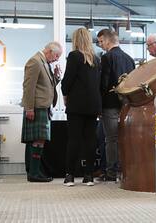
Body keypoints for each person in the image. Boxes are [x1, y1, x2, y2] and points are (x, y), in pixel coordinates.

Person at [61, 27, 102, 187]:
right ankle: (89, 176)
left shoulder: (74, 56)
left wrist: (65, 94)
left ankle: (70, 176)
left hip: (77, 105)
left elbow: (67, 81)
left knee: (74, 140)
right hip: (93, 105)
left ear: (76, 40)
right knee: (90, 140)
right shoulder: (96, 59)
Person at [21, 41, 63, 182]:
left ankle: (35, 171)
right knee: (37, 140)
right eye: (57, 55)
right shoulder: (35, 61)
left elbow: (46, 86)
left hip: (43, 106)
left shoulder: (44, 63)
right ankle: (34, 173)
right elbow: (28, 87)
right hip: (36, 107)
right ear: (49, 51)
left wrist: (56, 77)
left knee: (39, 140)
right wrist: (29, 108)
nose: (57, 59)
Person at [97, 29, 135, 181]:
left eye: (100, 41)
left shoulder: (107, 57)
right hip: (127, 104)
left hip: (110, 104)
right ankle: (125, 169)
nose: (100, 45)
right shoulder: (129, 59)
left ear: (107, 40)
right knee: (124, 137)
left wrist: (99, 105)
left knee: (111, 139)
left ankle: (112, 171)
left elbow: (104, 84)